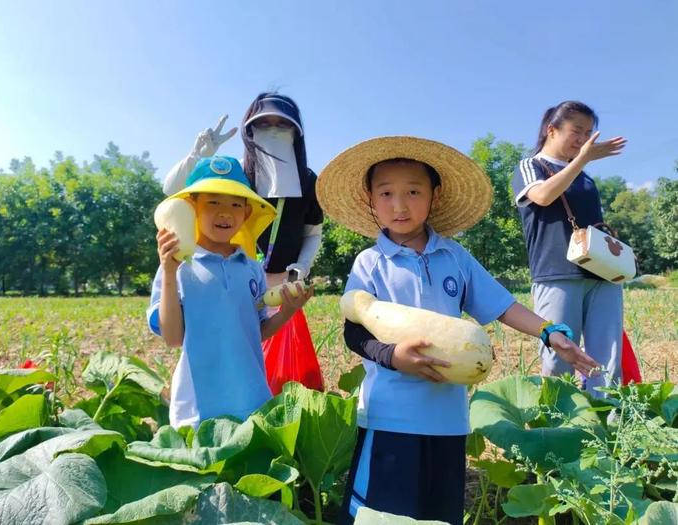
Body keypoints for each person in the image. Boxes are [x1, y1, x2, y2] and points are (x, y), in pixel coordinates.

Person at [315, 136, 601, 525]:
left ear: (435, 194)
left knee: (440, 514)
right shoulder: (370, 263)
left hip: (448, 420)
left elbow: (503, 306)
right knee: (378, 516)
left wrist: (550, 332)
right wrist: (392, 357)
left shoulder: (455, 257)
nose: (400, 205)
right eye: (386, 194)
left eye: (413, 192)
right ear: (371, 199)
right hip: (389, 418)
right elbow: (354, 332)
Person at [147, 155, 312, 429]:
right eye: (213, 202)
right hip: (198, 408)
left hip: (252, 400)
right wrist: (167, 272)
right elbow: (173, 338)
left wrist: (290, 310)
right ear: (192, 208)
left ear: (246, 213)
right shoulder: (177, 267)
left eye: (236, 204)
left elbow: (256, 331)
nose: (225, 212)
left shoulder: (252, 269)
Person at [511, 100, 627, 395]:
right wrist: (582, 161)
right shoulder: (531, 166)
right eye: (577, 130)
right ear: (552, 130)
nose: (583, 139)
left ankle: (608, 429)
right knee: (558, 357)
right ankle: (558, 428)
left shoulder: (585, 175)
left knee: (607, 361)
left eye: (588, 132)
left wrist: (581, 163)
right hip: (557, 274)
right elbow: (544, 196)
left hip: (602, 275)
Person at [163, 93, 323, 287]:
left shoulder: (307, 181)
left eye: (282, 124)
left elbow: (312, 233)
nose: (273, 131)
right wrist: (197, 157)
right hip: (230, 280)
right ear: (250, 130)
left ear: (296, 132)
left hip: (282, 287)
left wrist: (302, 267)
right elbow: (171, 189)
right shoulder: (235, 173)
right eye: (263, 124)